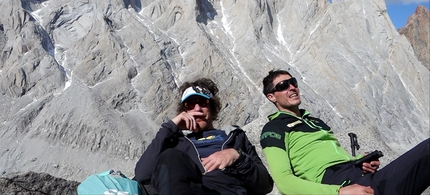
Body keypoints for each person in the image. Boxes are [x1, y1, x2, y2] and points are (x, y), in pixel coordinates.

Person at [259, 69, 429, 195]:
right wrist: (339, 192)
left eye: (293, 82)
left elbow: (335, 159)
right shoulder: (274, 128)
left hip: (361, 178)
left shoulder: (317, 122)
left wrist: (361, 161)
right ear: (271, 97)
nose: (292, 87)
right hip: (339, 185)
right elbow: (284, 182)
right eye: (283, 86)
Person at [134, 78, 273, 195]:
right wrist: (171, 127)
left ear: (212, 108)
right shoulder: (175, 142)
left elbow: (265, 185)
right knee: (171, 156)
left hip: (226, 191)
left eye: (203, 103)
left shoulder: (233, 136)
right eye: (190, 104)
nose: (197, 109)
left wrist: (237, 157)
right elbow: (141, 175)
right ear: (184, 111)